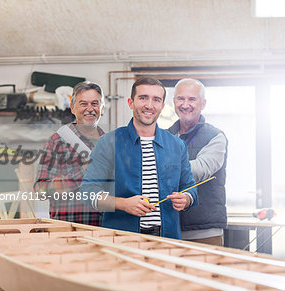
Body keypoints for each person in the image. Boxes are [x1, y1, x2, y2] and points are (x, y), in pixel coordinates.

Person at [80, 77, 197, 239]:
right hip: (121, 240)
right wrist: (123, 204)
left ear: (162, 106)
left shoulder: (177, 145)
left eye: (156, 100)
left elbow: (190, 188)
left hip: (167, 240)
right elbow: (87, 193)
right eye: (143, 98)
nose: (149, 105)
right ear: (130, 103)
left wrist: (187, 199)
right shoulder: (108, 142)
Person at [34, 81, 105, 226]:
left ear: (102, 108)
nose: (90, 109)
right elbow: (40, 190)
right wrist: (83, 173)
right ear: (72, 108)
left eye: (95, 104)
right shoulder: (58, 141)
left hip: (103, 230)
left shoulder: (109, 143)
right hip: (67, 230)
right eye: (83, 104)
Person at [168, 78, 228, 246]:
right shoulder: (164, 136)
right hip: (170, 228)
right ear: (174, 102)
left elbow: (199, 170)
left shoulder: (216, 137)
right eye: (180, 98)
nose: (185, 104)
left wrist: (158, 167)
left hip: (204, 230)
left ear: (203, 104)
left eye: (192, 99)